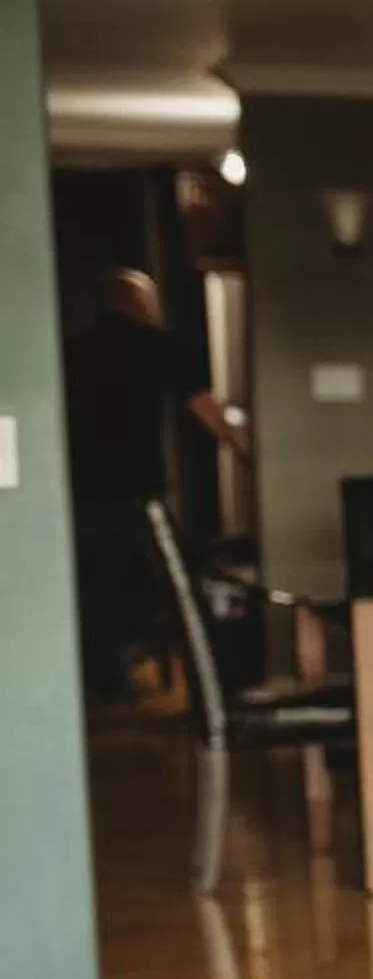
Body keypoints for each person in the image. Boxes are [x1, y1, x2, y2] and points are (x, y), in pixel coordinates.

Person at [63, 268, 220, 704]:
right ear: (136, 303)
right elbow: (204, 407)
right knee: (160, 579)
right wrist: (248, 453)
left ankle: (110, 673)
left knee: (96, 585)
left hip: (81, 488)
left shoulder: (74, 351)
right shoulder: (158, 347)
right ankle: (138, 661)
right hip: (136, 488)